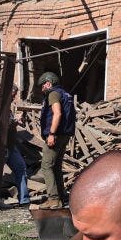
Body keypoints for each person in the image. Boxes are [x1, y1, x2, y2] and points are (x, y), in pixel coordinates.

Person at [36, 71, 75, 210]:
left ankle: (53, 199)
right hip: (65, 135)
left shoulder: (53, 93)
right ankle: (61, 196)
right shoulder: (66, 94)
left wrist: (51, 133)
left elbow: (57, 113)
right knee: (56, 166)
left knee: (46, 166)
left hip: (56, 135)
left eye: (42, 86)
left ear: (48, 83)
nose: (42, 89)